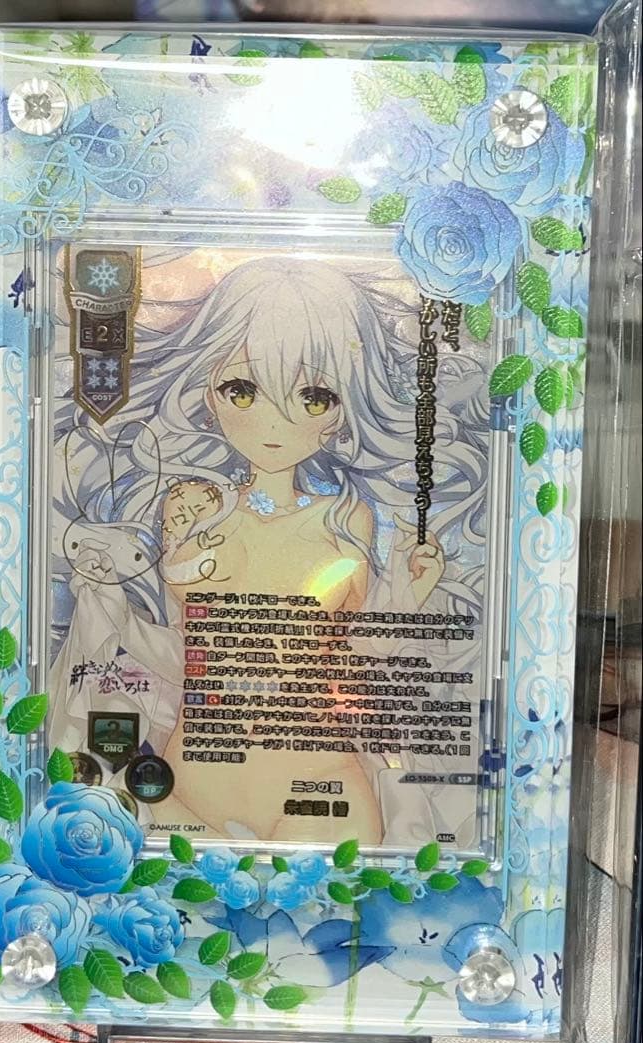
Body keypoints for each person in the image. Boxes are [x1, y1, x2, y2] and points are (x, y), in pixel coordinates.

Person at [50, 256, 487, 845]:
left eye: (313, 396)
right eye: (243, 389)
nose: (275, 421)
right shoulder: (195, 507)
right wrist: (119, 603)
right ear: (209, 393)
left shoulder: (345, 518)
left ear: (343, 407)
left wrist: (406, 600)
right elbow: (182, 642)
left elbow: (359, 660)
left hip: (321, 790)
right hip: (186, 787)